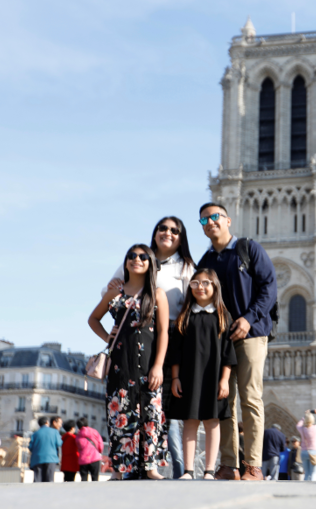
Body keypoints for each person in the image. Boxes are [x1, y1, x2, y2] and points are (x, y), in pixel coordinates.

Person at [104, 216, 196, 480]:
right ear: (155, 233)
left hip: (168, 339)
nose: (168, 233)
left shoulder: (186, 266)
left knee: (162, 411)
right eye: (162, 228)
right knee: (125, 408)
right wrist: (109, 336)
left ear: (181, 236)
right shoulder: (138, 258)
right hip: (129, 345)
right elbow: (108, 296)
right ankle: (127, 468)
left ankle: (167, 468)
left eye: (174, 230)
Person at [196, 203, 277, 481]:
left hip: (251, 334)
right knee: (224, 401)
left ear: (228, 220)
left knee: (251, 397)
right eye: (204, 219)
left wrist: (248, 319)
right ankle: (229, 464)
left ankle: (253, 465)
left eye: (215, 216)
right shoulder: (204, 262)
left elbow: (269, 286)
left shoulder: (248, 248)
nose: (210, 222)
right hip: (219, 341)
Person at [88, 244, 170, 480]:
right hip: (119, 364)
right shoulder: (115, 293)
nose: (137, 259)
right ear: (125, 262)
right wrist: (107, 337)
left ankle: (150, 467)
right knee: (119, 414)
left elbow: (164, 332)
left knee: (150, 414)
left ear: (150, 263)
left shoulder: (158, 294)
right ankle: (119, 468)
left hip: (148, 366)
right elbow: (93, 319)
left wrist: (158, 366)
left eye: (143, 256)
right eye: (132, 256)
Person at [169, 268, 237, 480]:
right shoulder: (184, 317)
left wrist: (224, 380)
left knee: (212, 421)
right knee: (189, 421)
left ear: (215, 287)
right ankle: (188, 470)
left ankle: (209, 470)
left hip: (214, 378)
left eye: (206, 283)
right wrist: (175, 378)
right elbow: (176, 353)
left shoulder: (223, 317)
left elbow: (228, 353)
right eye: (195, 283)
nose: (200, 287)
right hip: (189, 377)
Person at [296, 410, 316, 481]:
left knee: (306, 473)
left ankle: (306, 489)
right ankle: (312, 488)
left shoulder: (302, 429)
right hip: (313, 452)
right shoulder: (315, 428)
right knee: (314, 473)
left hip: (303, 452)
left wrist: (304, 416)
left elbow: (298, 425)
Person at [28, 417, 62, 482]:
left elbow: (30, 447)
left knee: (38, 480)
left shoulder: (35, 434)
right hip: (51, 458)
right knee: (49, 480)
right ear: (47, 422)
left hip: (37, 459)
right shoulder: (55, 432)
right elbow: (59, 443)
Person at [75, 417, 103, 482]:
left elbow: (78, 446)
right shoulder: (94, 431)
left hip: (83, 459)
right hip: (95, 458)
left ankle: (84, 491)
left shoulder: (78, 435)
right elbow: (100, 444)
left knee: (84, 479)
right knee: (95, 479)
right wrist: (99, 451)